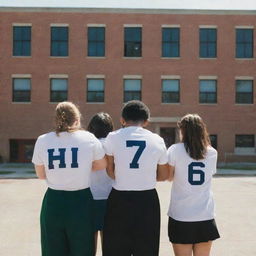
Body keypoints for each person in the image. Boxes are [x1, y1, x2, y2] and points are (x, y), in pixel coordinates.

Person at [32, 101, 106, 256]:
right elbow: (101, 165)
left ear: (56, 119)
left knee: (53, 249)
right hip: (81, 200)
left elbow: (40, 174)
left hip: (54, 200)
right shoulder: (89, 138)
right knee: (82, 249)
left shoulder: (43, 140)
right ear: (77, 120)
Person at [103, 100, 169, 256]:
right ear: (146, 121)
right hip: (147, 199)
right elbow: (164, 175)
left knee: (115, 248)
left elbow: (110, 170)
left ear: (122, 120)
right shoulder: (157, 140)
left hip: (119, 198)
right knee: (147, 248)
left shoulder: (112, 137)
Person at [167, 114, 220, 256]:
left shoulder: (174, 150)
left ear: (183, 131)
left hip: (181, 215)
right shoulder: (212, 152)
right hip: (205, 215)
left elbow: (169, 176)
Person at [87, 112, 114, 255]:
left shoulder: (87, 144)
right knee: (108, 244)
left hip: (89, 197)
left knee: (89, 244)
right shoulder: (113, 144)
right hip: (110, 197)